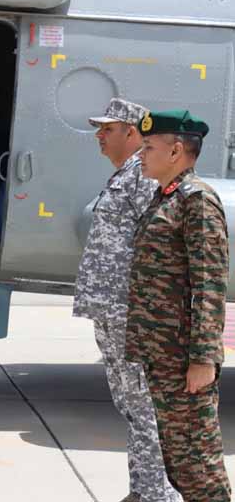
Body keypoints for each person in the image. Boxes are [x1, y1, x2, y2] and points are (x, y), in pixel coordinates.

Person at [73, 99, 179, 502]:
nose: (99, 136)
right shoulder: (126, 175)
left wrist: (148, 309)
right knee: (131, 407)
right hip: (111, 309)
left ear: (132, 133)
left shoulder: (143, 176)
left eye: (107, 129)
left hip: (129, 311)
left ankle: (158, 494)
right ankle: (143, 490)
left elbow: (159, 241)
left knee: (143, 406)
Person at [127, 110, 231, 501]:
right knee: (179, 462)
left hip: (184, 356)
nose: (141, 154)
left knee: (197, 463)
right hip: (163, 355)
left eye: (149, 147)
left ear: (175, 151)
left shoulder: (197, 201)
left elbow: (209, 284)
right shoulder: (165, 197)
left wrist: (203, 358)